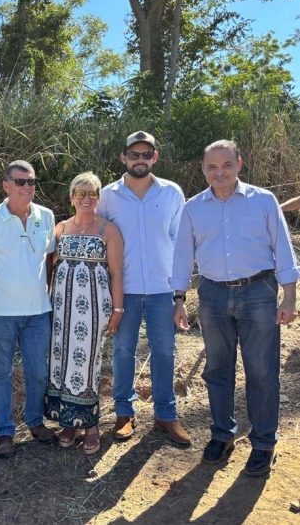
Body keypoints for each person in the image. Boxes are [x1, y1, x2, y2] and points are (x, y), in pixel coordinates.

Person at [172, 139, 298, 477]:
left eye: (227, 164)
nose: (220, 172)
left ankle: (263, 443)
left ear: (239, 165)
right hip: (212, 296)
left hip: (259, 292)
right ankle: (222, 434)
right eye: (212, 166)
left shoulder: (263, 200)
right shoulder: (193, 208)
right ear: (203, 170)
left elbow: (283, 250)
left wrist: (289, 297)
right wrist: (179, 300)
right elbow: (182, 256)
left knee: (262, 372)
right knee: (217, 370)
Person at [96, 131, 191, 445]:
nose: (140, 159)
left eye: (146, 154)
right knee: (123, 350)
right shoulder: (108, 196)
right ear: (123, 157)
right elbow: (100, 241)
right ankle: (124, 412)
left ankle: (166, 414)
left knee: (164, 350)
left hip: (163, 289)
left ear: (154, 158)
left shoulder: (172, 193)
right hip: (124, 290)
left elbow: (181, 244)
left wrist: (180, 295)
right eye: (134, 154)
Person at [0, 160, 58, 459]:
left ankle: (35, 422)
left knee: (38, 372)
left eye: (31, 181)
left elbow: (50, 260)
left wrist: (47, 295)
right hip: (1, 312)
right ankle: (4, 431)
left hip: (38, 312)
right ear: (6, 185)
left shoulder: (46, 216)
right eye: (20, 181)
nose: (27, 187)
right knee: (2, 373)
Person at [46, 173, 124, 454]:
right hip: (61, 310)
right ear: (71, 197)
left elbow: (116, 273)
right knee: (60, 362)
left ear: (99, 197)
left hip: (93, 310)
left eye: (92, 193)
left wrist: (117, 310)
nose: (87, 198)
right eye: (80, 193)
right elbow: (50, 268)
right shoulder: (60, 228)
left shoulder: (109, 230)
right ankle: (69, 423)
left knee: (87, 363)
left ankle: (90, 425)